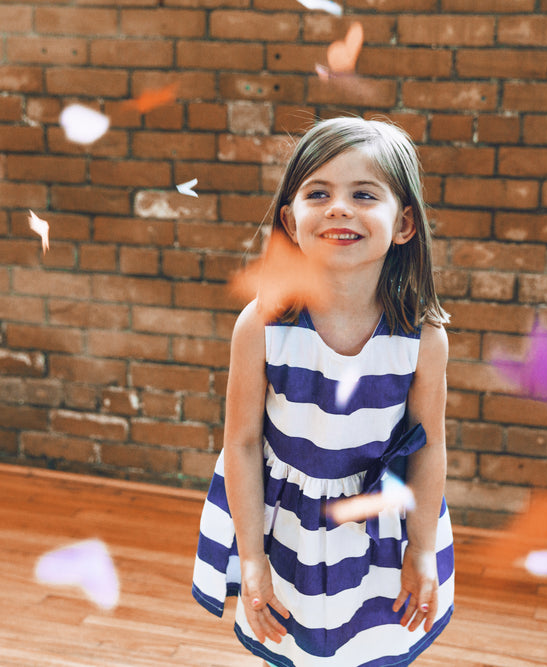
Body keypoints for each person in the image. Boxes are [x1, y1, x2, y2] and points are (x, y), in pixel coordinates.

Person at [192, 117, 455, 666]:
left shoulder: (422, 338)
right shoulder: (261, 326)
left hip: (378, 533)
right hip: (287, 526)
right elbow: (240, 443)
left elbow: (429, 446)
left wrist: (423, 550)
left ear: (404, 223)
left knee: (371, 644)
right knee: (297, 646)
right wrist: (252, 558)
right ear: (290, 220)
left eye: (363, 193)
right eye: (319, 193)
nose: (339, 207)